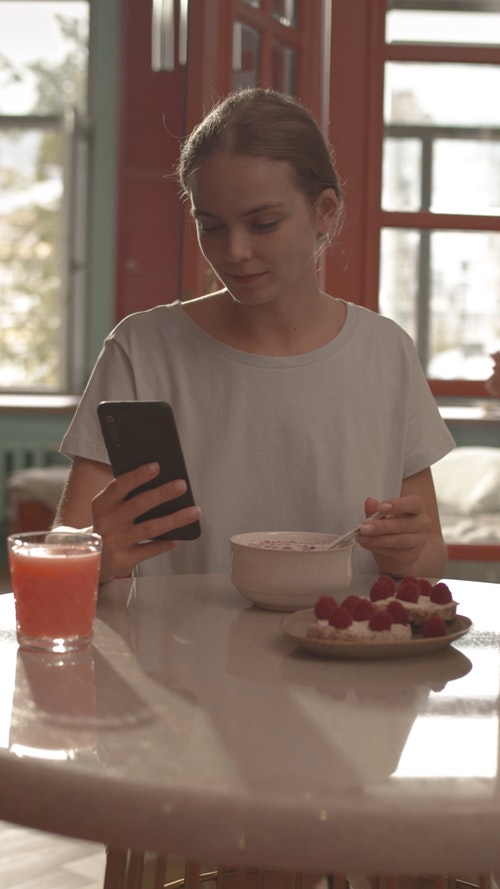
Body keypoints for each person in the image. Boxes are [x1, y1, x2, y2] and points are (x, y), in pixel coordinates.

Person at [55, 87, 455, 584]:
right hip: (173, 659)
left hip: (344, 652)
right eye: (211, 226)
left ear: (324, 211)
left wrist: (405, 554)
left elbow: (429, 556)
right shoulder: (141, 347)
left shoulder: (386, 351)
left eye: (263, 223)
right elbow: (64, 548)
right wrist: (95, 554)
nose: (235, 251)